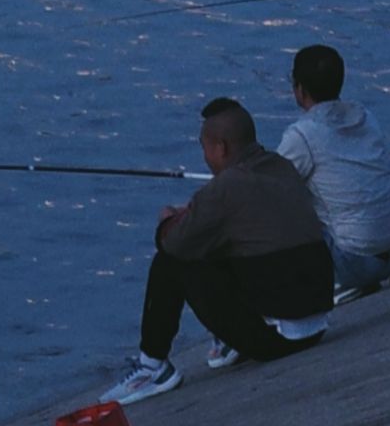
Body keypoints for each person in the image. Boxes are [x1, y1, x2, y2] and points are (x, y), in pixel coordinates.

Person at [107, 101, 334, 402]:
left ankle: (152, 366)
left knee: (172, 261)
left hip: (279, 340)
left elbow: (173, 243)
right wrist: (196, 216)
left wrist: (168, 220)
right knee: (223, 243)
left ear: (221, 148)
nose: (204, 157)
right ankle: (230, 343)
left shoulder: (227, 186)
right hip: (316, 327)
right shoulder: (282, 167)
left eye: (204, 147)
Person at [277, 46, 390, 297]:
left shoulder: (302, 134)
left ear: (300, 89)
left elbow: (267, 187)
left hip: (355, 264)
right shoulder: (366, 117)